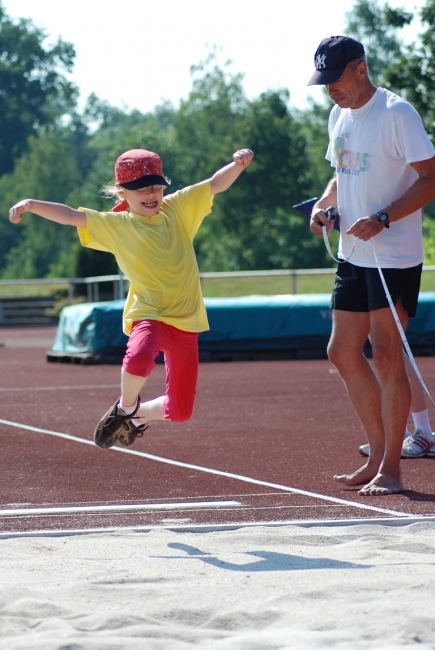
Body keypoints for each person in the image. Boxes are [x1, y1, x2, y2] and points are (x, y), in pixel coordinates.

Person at [9, 147, 254, 449]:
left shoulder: (176, 209)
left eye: (156, 187)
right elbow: (72, 215)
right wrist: (31, 204)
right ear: (123, 192)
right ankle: (124, 408)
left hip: (187, 321)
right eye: (141, 189)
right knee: (138, 357)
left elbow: (215, 184)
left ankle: (137, 418)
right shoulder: (118, 226)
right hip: (149, 314)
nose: (151, 194)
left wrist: (237, 165)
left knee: (180, 411)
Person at [308, 35, 435, 495]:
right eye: (323, 81)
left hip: (394, 257)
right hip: (351, 253)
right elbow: (341, 173)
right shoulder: (338, 114)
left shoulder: (397, 113)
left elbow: (431, 177)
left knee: (385, 355)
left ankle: (393, 470)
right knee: (342, 352)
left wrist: (384, 218)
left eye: (335, 78)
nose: (329, 89)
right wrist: (323, 206)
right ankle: (378, 455)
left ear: (360, 68)